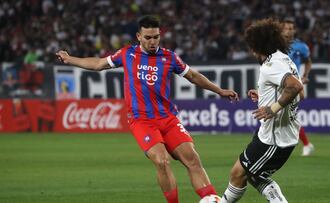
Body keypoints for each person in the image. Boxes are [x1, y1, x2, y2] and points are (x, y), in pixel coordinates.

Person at [56, 15, 238, 203]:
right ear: (138, 36)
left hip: (168, 118)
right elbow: (98, 64)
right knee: (162, 161)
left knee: (192, 158)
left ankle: (212, 199)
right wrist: (70, 59)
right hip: (141, 120)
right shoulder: (127, 54)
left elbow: (192, 76)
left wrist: (219, 90)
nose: (152, 41)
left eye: (156, 37)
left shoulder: (169, 57)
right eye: (148, 37)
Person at [220, 18, 304, 203]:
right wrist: (264, 96)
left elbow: (296, 87)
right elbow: (296, 92)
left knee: (241, 173)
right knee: (247, 173)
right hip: (272, 135)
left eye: (253, 46)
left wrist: (272, 108)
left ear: (259, 45)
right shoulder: (284, 59)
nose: (252, 51)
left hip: (275, 140)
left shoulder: (271, 66)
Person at [282, 18, 315, 156]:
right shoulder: (275, 46)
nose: (289, 31)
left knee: (285, 115)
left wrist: (305, 75)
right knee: (286, 116)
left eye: (291, 28)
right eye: (286, 28)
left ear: (294, 30)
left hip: (294, 84)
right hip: (279, 82)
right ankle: (306, 144)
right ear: (281, 30)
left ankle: (306, 144)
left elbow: (308, 62)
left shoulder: (301, 46)